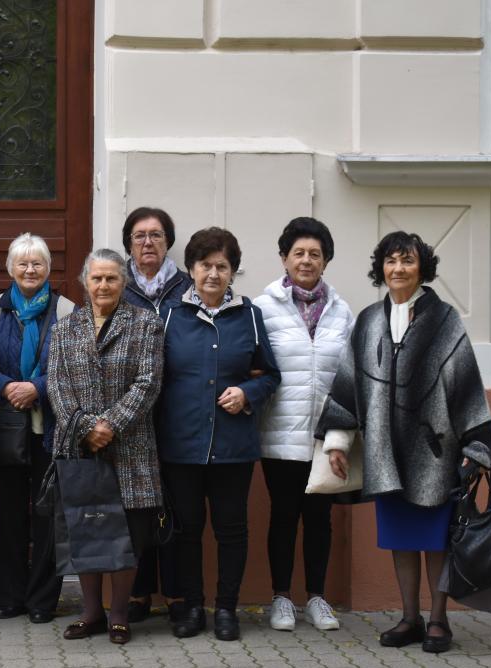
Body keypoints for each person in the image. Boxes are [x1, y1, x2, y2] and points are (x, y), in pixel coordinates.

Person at [317, 231, 491, 654]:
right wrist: (338, 442)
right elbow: (348, 384)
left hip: (436, 453)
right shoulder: (368, 321)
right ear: (381, 267)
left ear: (423, 269)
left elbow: (466, 384)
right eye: (391, 261)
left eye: (408, 261)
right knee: (400, 538)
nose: (398, 269)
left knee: (435, 539)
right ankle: (409, 618)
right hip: (385, 453)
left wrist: (476, 448)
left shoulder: (445, 319)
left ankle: (438, 620)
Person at [158, 227, 281, 641]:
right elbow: (153, 378)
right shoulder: (170, 315)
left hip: (232, 447)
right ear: (191, 269)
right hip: (181, 446)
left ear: (232, 271)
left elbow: (270, 376)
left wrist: (246, 393)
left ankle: (227, 609)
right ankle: (193, 607)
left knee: (231, 530)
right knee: (187, 531)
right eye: (205, 265)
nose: (213, 274)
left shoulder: (249, 316)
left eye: (222, 266)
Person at [47, 248, 164, 645]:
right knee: (87, 527)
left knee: (126, 533)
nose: (103, 285)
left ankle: (118, 614)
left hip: (129, 447)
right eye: (96, 278)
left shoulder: (146, 324)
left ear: (124, 282)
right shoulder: (66, 328)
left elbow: (148, 382)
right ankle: (90, 612)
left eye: (111, 278)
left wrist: (109, 425)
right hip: (80, 448)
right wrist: (84, 428)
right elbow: (56, 386)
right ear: (85, 281)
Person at [253, 217, 354, 632]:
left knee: (319, 518)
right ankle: (281, 598)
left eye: (315, 254)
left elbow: (350, 379)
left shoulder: (342, 311)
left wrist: (340, 438)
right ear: (284, 258)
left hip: (324, 437)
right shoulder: (262, 307)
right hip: (279, 433)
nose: (307, 260)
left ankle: (316, 597)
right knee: (283, 515)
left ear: (326, 261)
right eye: (299, 253)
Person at [0, 233, 75, 624]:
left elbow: (74, 366)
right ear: (10, 268)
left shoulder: (67, 310)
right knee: (5, 516)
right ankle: (9, 597)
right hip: (4, 426)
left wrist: (36, 386)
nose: (30, 269)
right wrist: (6, 386)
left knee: (48, 515)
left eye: (37, 263)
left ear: (49, 268)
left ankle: (42, 600)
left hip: (50, 429)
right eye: (23, 263)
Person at [119, 206, 192, 623]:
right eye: (140, 235)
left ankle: (178, 594)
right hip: (130, 415)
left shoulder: (186, 287)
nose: (148, 242)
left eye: (157, 235)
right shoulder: (117, 283)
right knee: (138, 507)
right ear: (129, 242)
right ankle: (139, 592)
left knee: (177, 503)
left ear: (168, 242)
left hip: (177, 412)